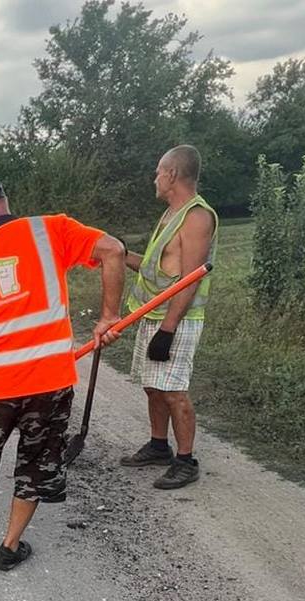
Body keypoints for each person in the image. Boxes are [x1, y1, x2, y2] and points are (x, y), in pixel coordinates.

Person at [0, 179, 125, 570]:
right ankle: (10, 546)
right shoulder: (50, 229)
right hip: (51, 382)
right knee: (36, 463)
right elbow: (114, 250)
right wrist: (108, 317)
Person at [120, 145, 218, 489]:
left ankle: (186, 460)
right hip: (155, 315)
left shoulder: (196, 217)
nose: (155, 179)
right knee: (153, 387)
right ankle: (159, 445)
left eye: (159, 172)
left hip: (176, 319)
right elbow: (154, 268)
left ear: (172, 174)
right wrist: (118, 251)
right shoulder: (169, 215)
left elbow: (191, 278)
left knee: (174, 390)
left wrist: (168, 330)